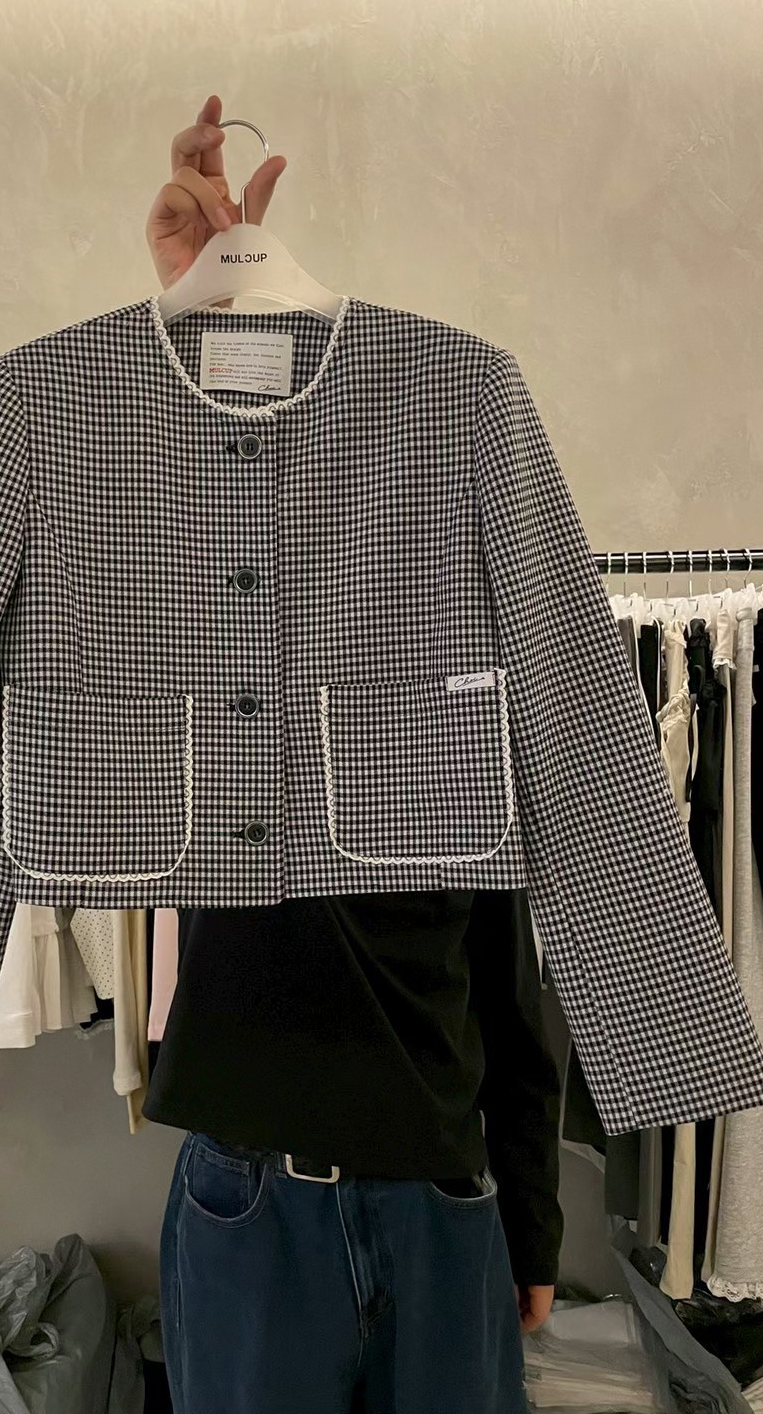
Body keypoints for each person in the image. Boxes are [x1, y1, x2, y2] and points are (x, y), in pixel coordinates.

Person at [141, 94, 563, 1414]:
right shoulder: (214, 653)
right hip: (252, 1196)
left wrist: (531, 1216)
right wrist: (202, 309)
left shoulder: (470, 668)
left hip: (444, 1198)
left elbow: (511, 971)